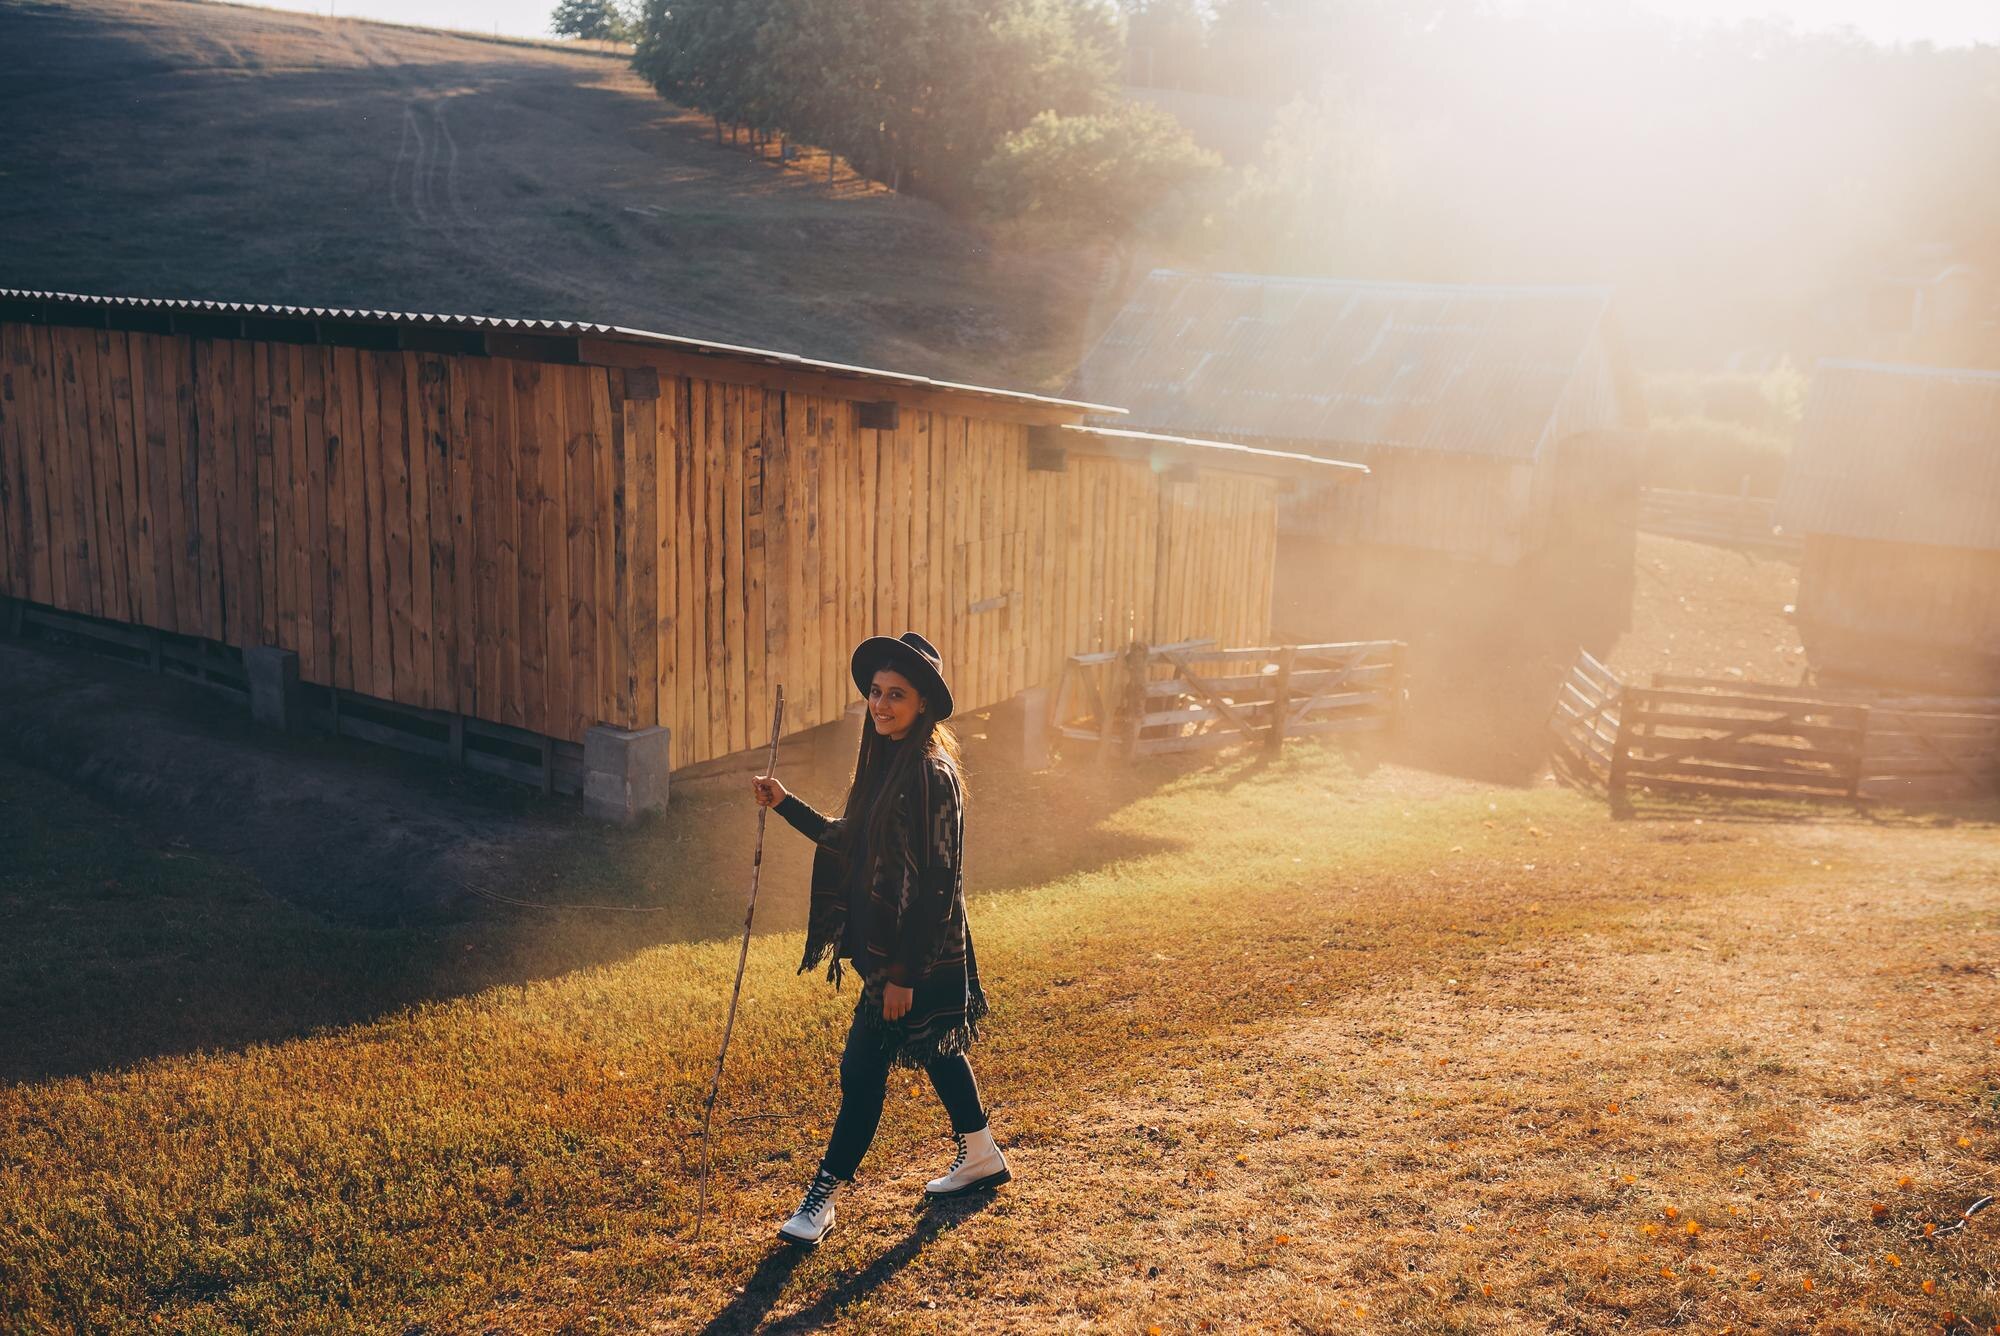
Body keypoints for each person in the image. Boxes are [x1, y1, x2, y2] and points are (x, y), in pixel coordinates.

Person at [750, 632, 1008, 1248]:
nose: (881, 704)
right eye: (875, 692)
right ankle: (980, 1153)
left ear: (923, 704)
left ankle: (820, 1201)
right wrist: (786, 804)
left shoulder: (931, 774)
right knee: (936, 1047)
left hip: (915, 954)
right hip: (894, 951)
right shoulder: (888, 763)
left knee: (861, 1072)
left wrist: (903, 977)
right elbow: (850, 838)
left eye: (896, 694)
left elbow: (940, 884)